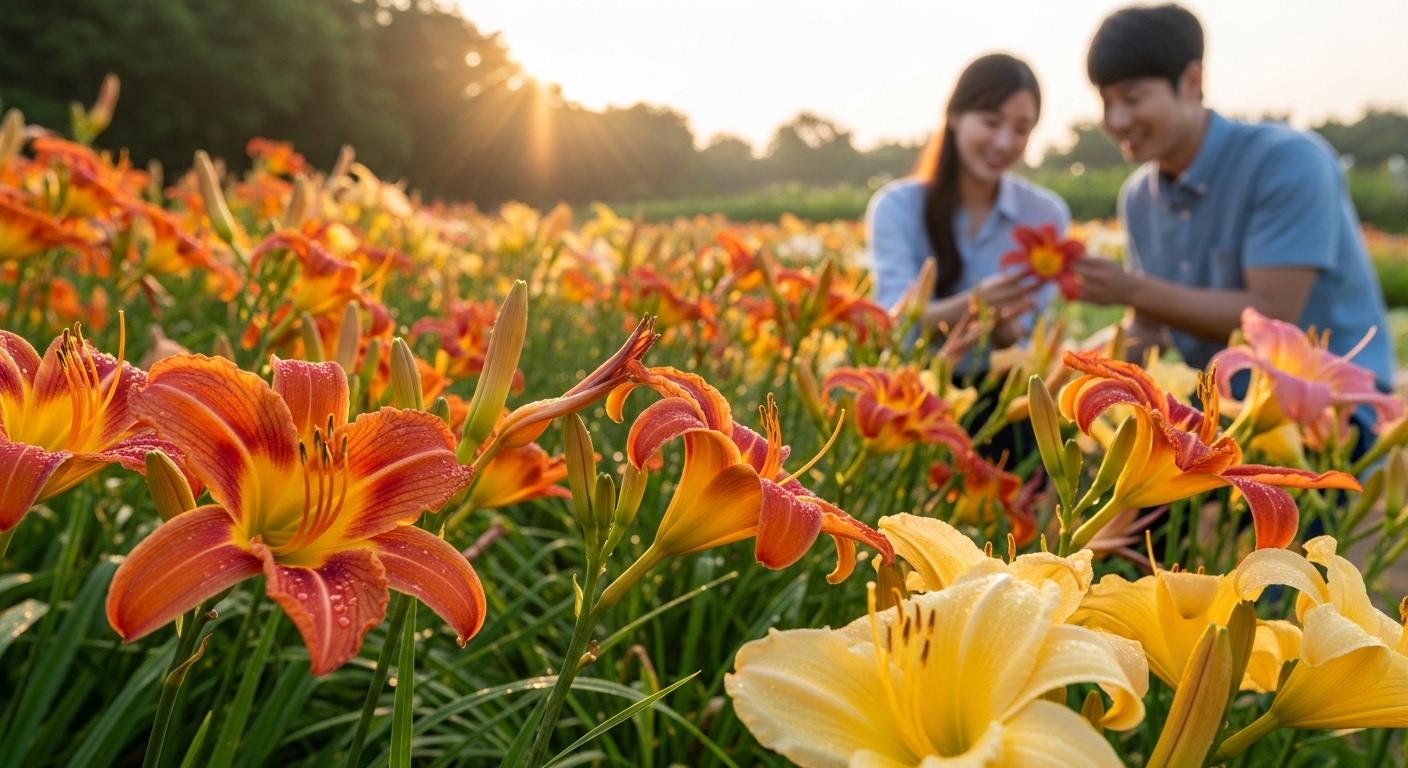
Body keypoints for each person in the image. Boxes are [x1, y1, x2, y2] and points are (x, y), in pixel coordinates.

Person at [1074, 4, 1396, 408]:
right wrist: (1072, 372)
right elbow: (1147, 329)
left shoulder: (1287, 161)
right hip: (1226, 413)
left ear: (1192, 82)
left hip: (1337, 413)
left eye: (1132, 98)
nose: (1116, 120)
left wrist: (1130, 288)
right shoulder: (1138, 197)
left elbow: (1272, 314)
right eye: (1105, 102)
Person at [868, 53, 1071, 357]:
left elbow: (1030, 331)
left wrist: (1008, 331)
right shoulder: (896, 207)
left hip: (1009, 389)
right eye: (991, 122)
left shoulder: (1046, 214)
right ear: (953, 116)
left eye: (1021, 129)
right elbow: (892, 321)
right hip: (914, 387)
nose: (1004, 143)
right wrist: (976, 304)